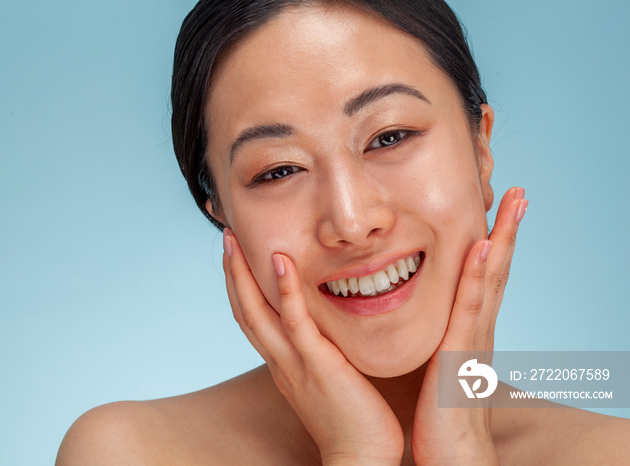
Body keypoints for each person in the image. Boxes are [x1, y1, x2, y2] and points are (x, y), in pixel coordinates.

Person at [56, 0, 630, 464]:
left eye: (390, 137)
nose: (352, 223)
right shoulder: (131, 451)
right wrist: (356, 454)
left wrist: (462, 453)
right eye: (279, 170)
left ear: (481, 149)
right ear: (221, 214)